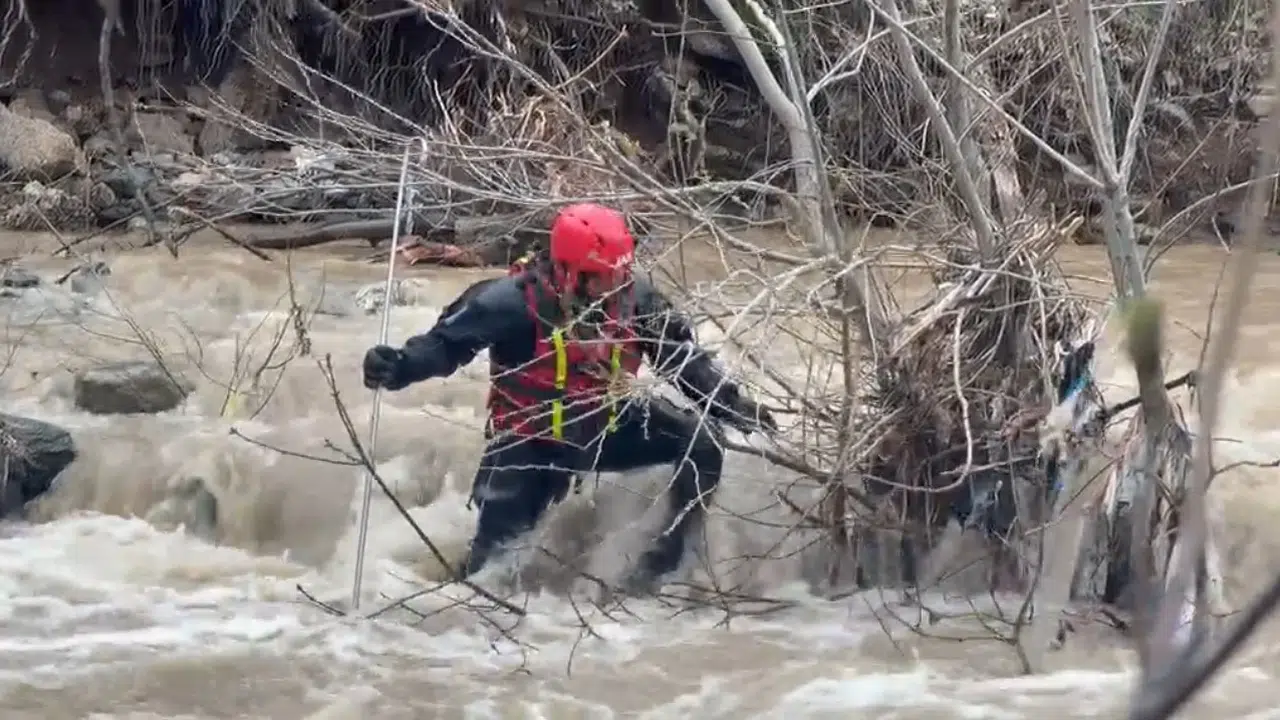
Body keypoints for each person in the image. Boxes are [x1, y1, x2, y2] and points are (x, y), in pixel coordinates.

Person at [362, 203, 776, 589]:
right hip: (528, 445)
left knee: (702, 443)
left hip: (606, 429)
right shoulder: (509, 303)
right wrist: (397, 367)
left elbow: (685, 363)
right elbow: (445, 346)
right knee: (489, 575)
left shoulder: (638, 300)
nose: (614, 286)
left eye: (620, 274)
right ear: (567, 271)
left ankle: (663, 565)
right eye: (601, 277)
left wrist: (737, 408)